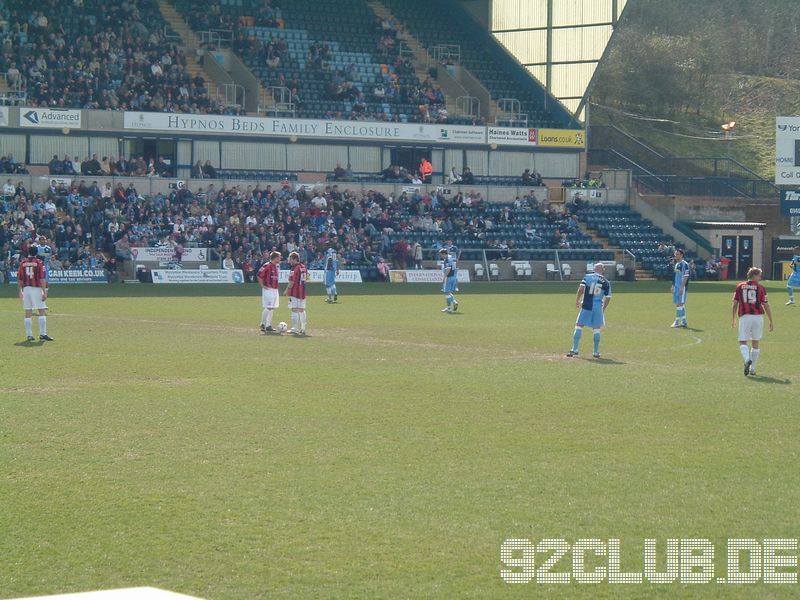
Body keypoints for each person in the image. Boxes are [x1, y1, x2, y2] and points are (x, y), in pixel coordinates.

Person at [732, 267, 774, 376]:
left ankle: (747, 360)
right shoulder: (761, 288)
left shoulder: (740, 286)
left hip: (745, 316)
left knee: (742, 341)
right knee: (755, 342)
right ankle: (753, 368)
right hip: (758, 317)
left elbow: (735, 303)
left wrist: (733, 318)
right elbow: (766, 304)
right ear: (754, 275)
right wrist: (771, 320)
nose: (761, 277)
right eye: (759, 275)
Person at [566, 263, 611, 358]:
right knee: (596, 328)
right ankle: (596, 352)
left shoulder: (587, 277)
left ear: (594, 269)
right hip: (598, 307)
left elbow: (581, 289)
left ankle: (574, 349)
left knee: (579, 325)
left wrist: (577, 300)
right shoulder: (606, 282)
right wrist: (604, 308)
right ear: (602, 270)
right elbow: (608, 297)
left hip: (586, 304)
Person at [17, 247, 53, 342]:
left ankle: (29, 335)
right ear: (36, 253)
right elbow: (42, 278)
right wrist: (44, 292)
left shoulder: (22, 263)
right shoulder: (39, 263)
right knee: (41, 310)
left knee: (28, 312)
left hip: (26, 289)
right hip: (36, 288)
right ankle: (43, 334)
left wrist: (20, 291)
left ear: (28, 252)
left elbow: (19, 278)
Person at [258, 251, 281, 333]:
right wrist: (262, 285)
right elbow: (259, 274)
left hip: (275, 289)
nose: (280, 258)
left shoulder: (276, 266)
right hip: (268, 289)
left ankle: (268, 325)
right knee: (269, 307)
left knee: (272, 307)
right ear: (275, 258)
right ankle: (263, 323)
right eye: (279, 257)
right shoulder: (267, 265)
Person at [285, 251, 308, 335]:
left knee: (294, 310)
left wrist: (287, 289)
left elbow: (292, 281)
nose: (289, 261)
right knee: (302, 310)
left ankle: (294, 329)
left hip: (295, 292)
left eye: (290, 259)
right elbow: (306, 280)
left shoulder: (294, 268)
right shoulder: (303, 267)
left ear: (295, 259)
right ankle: (303, 329)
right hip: (302, 293)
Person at [671, 249, 690, 328]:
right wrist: (673, 286)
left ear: (681, 255)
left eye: (677, 254)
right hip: (676, 287)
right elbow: (675, 276)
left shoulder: (685, 264)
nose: (676, 255)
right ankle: (684, 321)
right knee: (680, 304)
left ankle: (677, 321)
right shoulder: (676, 264)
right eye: (675, 254)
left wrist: (682, 287)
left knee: (680, 304)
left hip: (681, 287)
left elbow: (686, 276)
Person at [439, 248, 458, 313]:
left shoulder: (447, 259)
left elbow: (448, 269)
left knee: (446, 293)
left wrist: (444, 277)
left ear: (444, 254)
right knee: (449, 292)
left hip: (449, 277)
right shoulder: (451, 257)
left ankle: (449, 307)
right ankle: (453, 303)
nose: (441, 256)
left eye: (441, 255)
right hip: (454, 277)